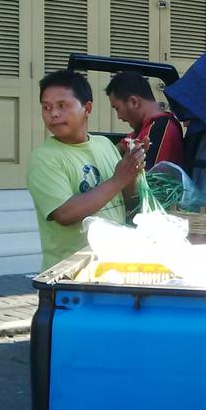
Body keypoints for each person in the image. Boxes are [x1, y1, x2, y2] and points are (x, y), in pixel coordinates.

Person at [28, 70, 148, 270]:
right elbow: (64, 213)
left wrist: (132, 170)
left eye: (62, 106)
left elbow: (129, 203)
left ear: (87, 107)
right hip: (69, 277)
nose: (53, 114)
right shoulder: (44, 158)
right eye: (46, 107)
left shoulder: (105, 145)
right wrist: (118, 180)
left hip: (113, 269)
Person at [105, 71, 185, 168]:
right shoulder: (147, 126)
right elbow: (121, 146)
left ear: (134, 102)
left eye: (117, 108)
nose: (119, 116)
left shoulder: (160, 130)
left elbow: (144, 179)